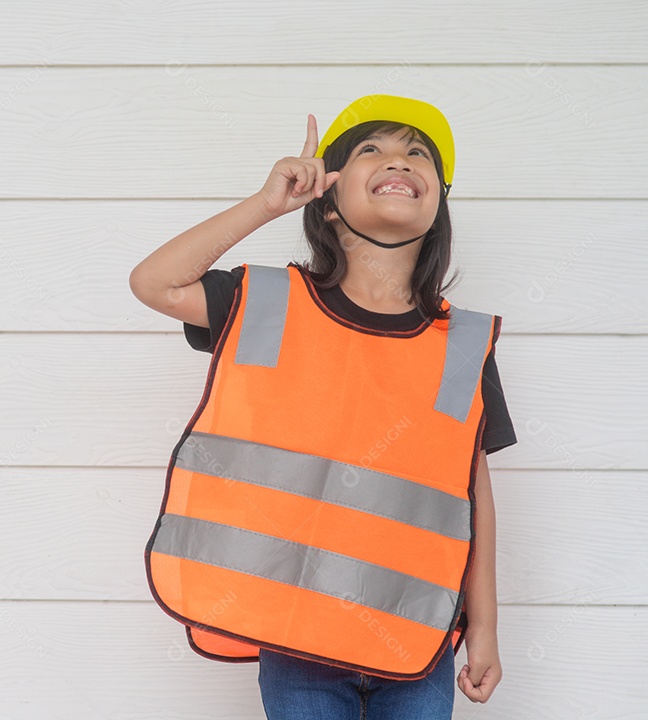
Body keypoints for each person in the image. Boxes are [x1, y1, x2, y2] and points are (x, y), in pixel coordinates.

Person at [129, 95, 514, 719]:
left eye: (418, 152)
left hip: (418, 637)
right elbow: (155, 283)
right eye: (373, 149)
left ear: (437, 204)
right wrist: (265, 204)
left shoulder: (464, 343)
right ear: (327, 202)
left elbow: (473, 495)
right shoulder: (265, 301)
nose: (401, 159)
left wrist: (487, 627)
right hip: (297, 634)